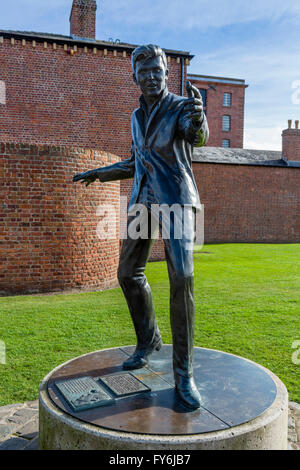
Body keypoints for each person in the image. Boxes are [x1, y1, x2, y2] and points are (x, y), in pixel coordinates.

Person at [73, 44, 209, 409]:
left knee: (182, 277)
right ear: (135, 76)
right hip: (142, 202)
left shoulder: (181, 107)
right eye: (144, 71)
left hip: (176, 200)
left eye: (157, 71)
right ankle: (148, 342)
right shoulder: (135, 116)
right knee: (128, 274)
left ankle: (184, 375)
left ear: (166, 73)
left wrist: (199, 118)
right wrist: (100, 173)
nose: (151, 77)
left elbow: (195, 134)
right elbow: (137, 160)